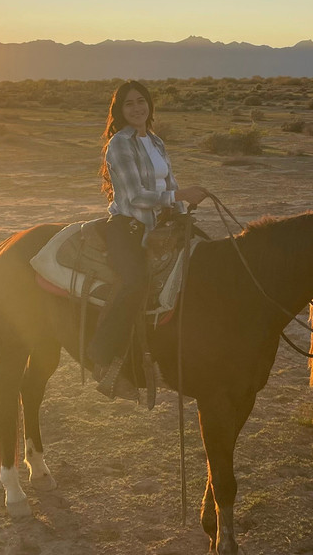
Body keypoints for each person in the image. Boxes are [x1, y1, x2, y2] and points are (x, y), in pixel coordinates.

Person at [89, 80, 208, 400]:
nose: (137, 108)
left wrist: (182, 208)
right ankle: (101, 357)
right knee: (135, 280)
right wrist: (179, 195)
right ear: (120, 111)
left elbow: (170, 183)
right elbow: (135, 196)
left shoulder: (156, 142)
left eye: (141, 101)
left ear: (150, 105)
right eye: (129, 104)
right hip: (128, 226)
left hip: (160, 224)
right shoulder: (119, 144)